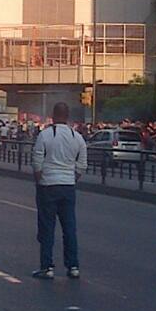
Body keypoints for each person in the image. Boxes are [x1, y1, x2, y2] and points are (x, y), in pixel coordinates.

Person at [31, 102, 87, 280]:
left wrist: (40, 181)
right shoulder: (77, 137)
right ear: (68, 115)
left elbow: (37, 161)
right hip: (68, 186)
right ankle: (73, 266)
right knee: (69, 228)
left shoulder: (45, 135)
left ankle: (47, 267)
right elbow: (82, 164)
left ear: (53, 115)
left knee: (47, 228)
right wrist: (72, 177)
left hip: (48, 186)